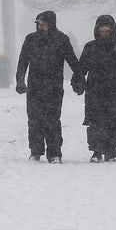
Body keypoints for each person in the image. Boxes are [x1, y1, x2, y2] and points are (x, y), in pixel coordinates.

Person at [15, 10, 81, 163]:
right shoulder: (30, 40)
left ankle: (54, 153)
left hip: (54, 87)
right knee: (34, 120)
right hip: (34, 87)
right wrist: (20, 80)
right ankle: (35, 151)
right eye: (38, 24)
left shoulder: (62, 40)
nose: (40, 27)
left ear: (51, 24)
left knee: (53, 120)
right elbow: (22, 62)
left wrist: (78, 77)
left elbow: (72, 60)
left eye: (43, 24)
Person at [75, 15, 116, 162]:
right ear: (97, 31)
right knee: (94, 122)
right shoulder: (90, 47)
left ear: (113, 31)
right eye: (102, 31)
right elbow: (81, 68)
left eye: (107, 31)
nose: (104, 33)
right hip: (95, 91)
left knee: (114, 122)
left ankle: (112, 151)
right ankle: (96, 151)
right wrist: (78, 82)